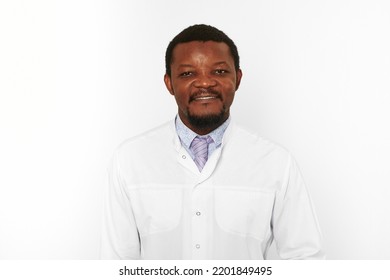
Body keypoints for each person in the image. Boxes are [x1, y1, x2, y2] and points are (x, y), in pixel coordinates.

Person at [100, 24, 324, 260]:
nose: (205, 83)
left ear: (237, 78)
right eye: (187, 73)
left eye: (219, 72)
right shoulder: (129, 160)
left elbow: (306, 260)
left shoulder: (277, 162)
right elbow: (116, 265)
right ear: (169, 83)